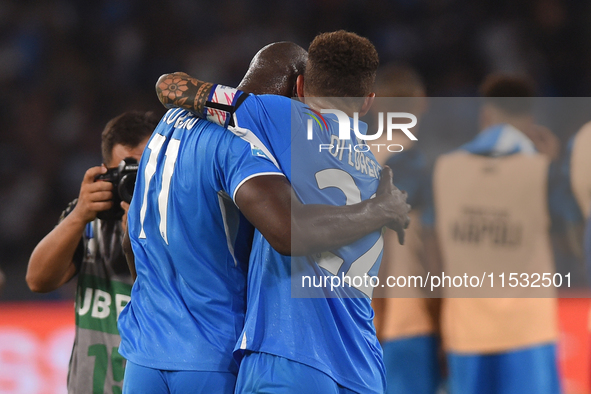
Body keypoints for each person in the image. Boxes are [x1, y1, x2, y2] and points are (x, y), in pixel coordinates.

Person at [120, 40, 410, 394]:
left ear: (301, 88)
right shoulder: (374, 166)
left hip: (284, 355)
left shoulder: (271, 117)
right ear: (368, 102)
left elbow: (171, 86)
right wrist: (378, 210)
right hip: (361, 363)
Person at [433, 74, 564, 394]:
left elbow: (433, 250)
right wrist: (555, 164)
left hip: (466, 331)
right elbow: (569, 235)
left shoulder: (445, 169)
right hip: (528, 331)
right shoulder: (543, 171)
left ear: (485, 116)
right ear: (530, 120)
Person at [26, 111, 157, 394]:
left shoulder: (177, 223)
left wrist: (145, 237)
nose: (134, 182)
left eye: (144, 167)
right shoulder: (88, 219)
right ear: (106, 172)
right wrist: (78, 216)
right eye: (126, 171)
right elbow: (37, 280)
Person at [370, 64, 442, 394]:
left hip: (351, 326)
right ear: (421, 104)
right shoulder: (419, 169)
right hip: (406, 322)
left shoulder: (345, 161)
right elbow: (430, 255)